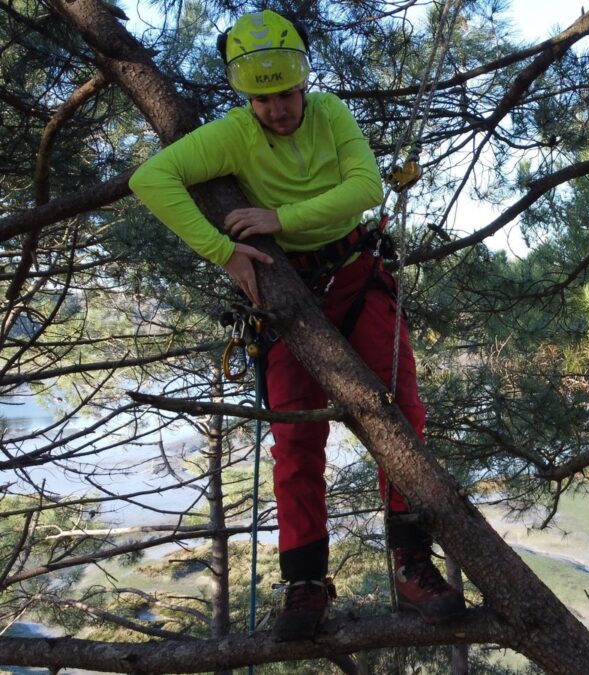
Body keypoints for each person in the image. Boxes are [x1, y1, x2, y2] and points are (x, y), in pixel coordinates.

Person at [128, 9, 465, 640]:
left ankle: (410, 562)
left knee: (403, 414)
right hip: (290, 298)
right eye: (263, 98)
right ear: (246, 98)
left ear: (302, 83)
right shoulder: (234, 134)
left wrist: (278, 218)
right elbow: (152, 178)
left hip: (357, 273)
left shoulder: (332, 115)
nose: (278, 109)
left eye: (285, 93)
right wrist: (223, 250)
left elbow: (363, 187)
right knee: (294, 438)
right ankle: (305, 581)